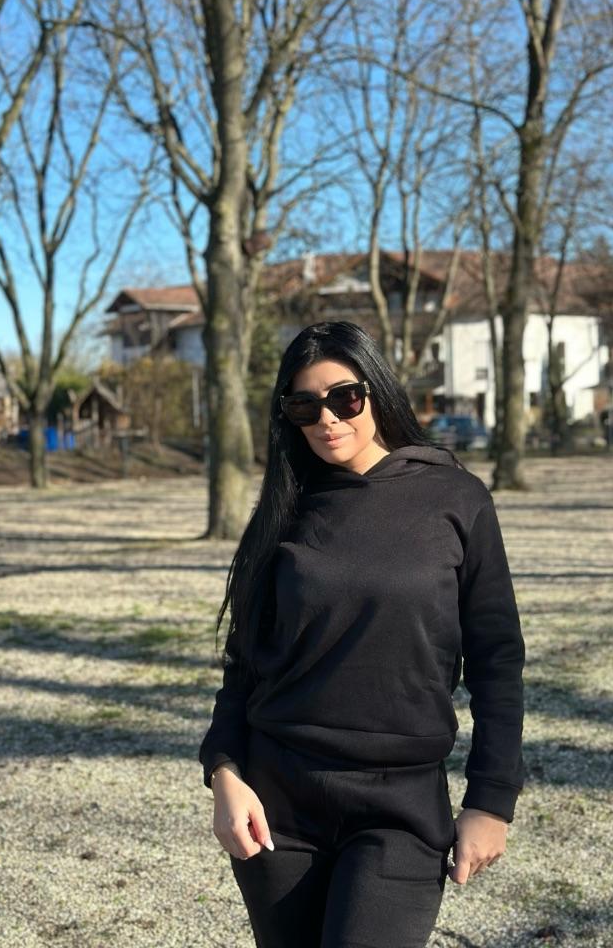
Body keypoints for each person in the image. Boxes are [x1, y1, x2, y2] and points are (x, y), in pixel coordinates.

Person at [199, 319, 525, 948]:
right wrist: (224, 773)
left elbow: (497, 661)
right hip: (277, 806)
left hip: (400, 806)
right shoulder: (285, 509)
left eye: (344, 398)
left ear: (377, 390)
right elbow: (244, 666)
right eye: (303, 406)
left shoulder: (456, 499)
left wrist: (491, 801)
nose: (326, 419)